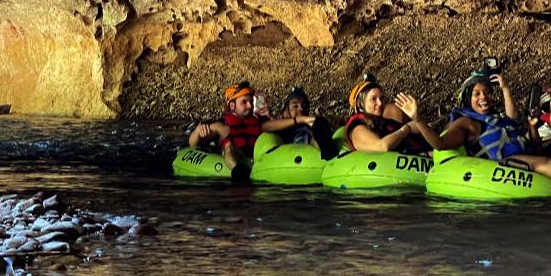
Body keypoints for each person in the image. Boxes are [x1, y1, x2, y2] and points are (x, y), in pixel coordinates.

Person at [188, 81, 316, 181]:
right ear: (232, 105)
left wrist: (300, 120)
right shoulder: (221, 127)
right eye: (244, 102)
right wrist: (197, 131)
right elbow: (192, 144)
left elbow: (277, 126)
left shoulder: (261, 122)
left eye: (250, 101)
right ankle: (238, 171)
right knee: (229, 146)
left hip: (260, 162)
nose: (250, 105)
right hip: (237, 161)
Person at [344, 74, 443, 154]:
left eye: (381, 98)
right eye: (373, 99)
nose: (380, 103)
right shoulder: (357, 129)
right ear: (361, 104)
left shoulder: (383, 123)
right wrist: (406, 129)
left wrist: (418, 121)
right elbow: (383, 146)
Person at [275, 86, 338, 160]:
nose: (301, 108)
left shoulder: (315, 126)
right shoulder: (283, 129)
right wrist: (299, 120)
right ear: (286, 111)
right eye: (295, 106)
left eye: (304, 105)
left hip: (315, 156)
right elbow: (266, 126)